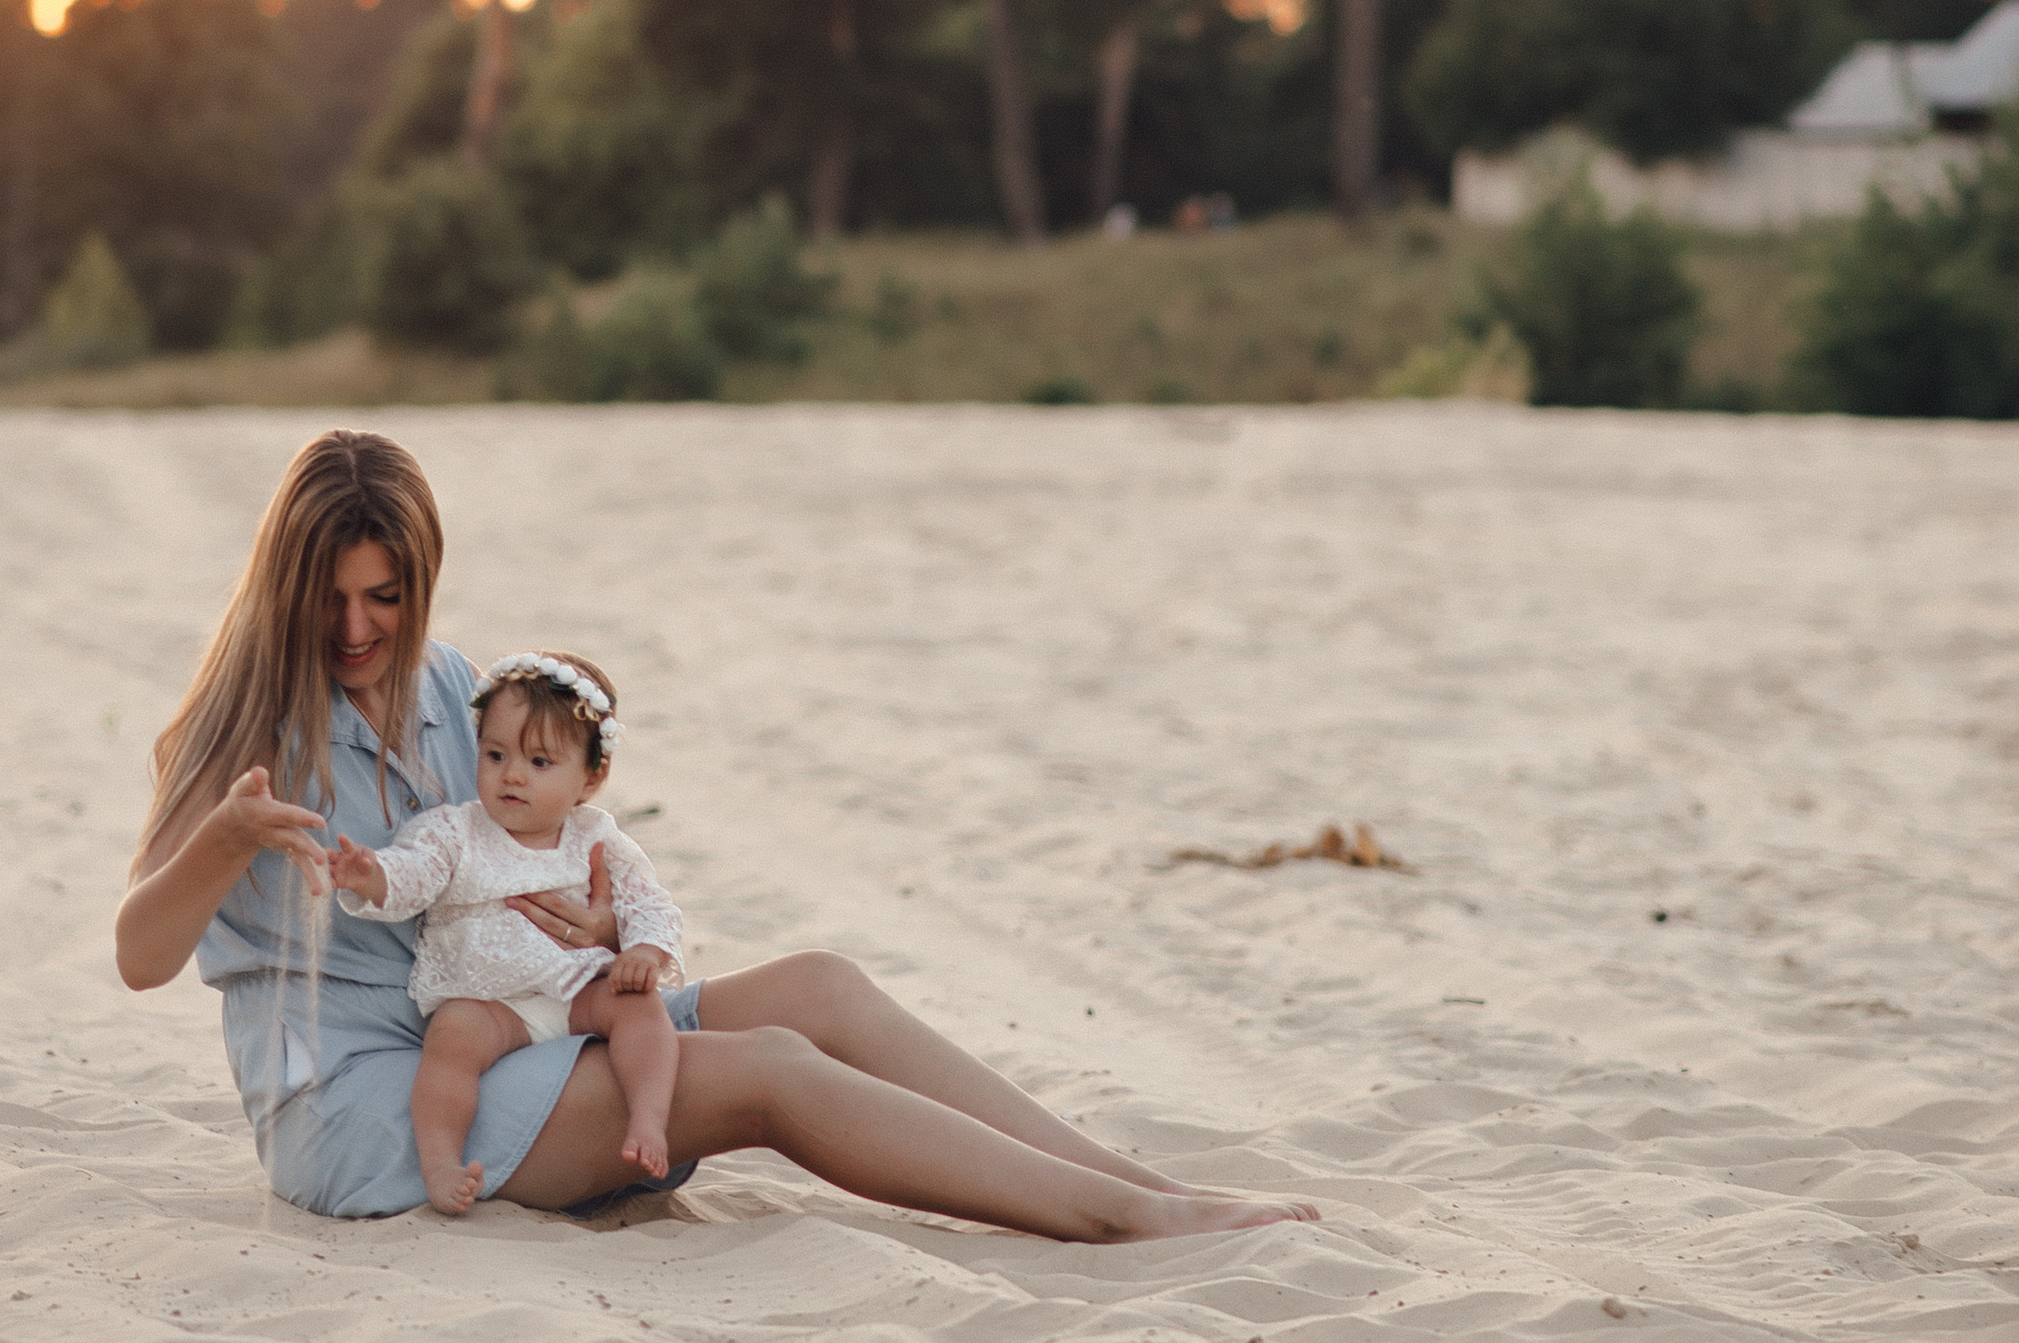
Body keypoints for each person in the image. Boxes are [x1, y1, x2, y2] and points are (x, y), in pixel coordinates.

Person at [113, 428, 1317, 1245]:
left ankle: (1146, 1187)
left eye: (385, 595)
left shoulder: (448, 685)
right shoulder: (239, 725)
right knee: (768, 1070)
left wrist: (589, 921)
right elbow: (138, 954)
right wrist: (222, 837)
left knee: (821, 989)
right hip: (371, 1103)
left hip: (507, 1014)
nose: (359, 627)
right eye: (331, 597)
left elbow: (512, 847)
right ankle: (1123, 1225)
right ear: (287, 584)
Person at [327, 650, 686, 1212]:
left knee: (640, 1006)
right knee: (450, 1042)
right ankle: (442, 1161)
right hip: (491, 1004)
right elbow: (415, 875)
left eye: (540, 763)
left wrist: (644, 947)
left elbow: (648, 900)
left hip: (574, 993)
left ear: (590, 778)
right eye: (495, 755)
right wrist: (372, 876)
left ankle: (648, 1116)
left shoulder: (597, 838)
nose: (512, 775)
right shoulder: (455, 831)